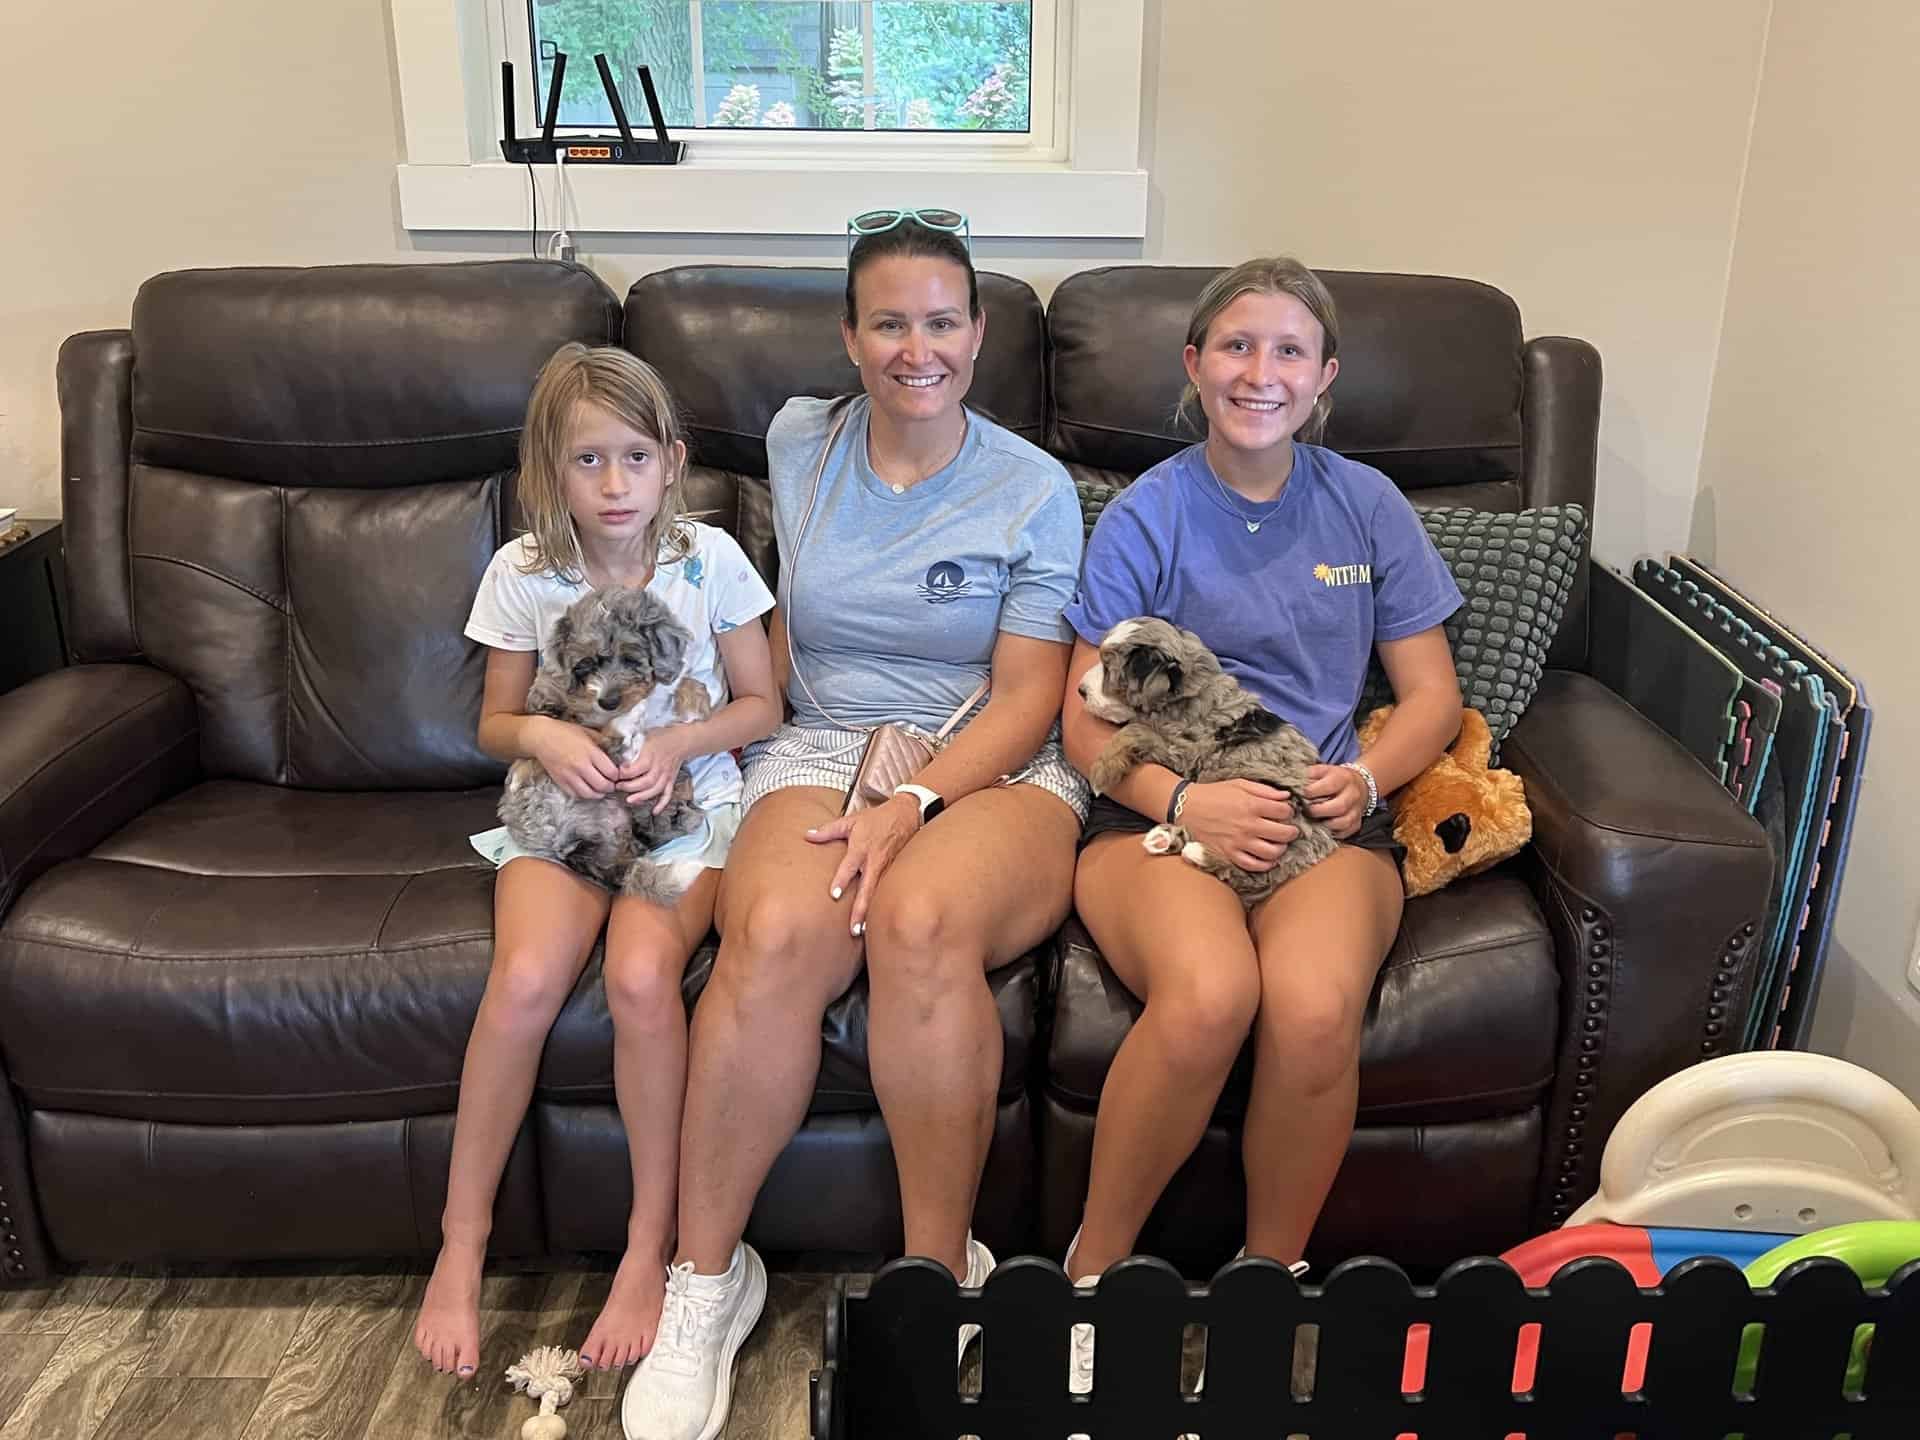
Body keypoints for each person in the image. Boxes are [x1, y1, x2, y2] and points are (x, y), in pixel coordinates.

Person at [620, 209, 1090, 1440]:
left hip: (989, 758)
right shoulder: (795, 442)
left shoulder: (1033, 488)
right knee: (771, 936)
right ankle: (706, 1280)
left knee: (923, 917)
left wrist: (916, 802)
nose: (915, 348)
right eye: (889, 322)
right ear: (850, 335)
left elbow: (1036, 689)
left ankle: (938, 1282)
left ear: (980, 335)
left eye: (942, 322)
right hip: (821, 741)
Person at [1058, 257, 1465, 1384]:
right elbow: (1083, 722)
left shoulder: (1367, 503)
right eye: (1236, 346)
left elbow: (1431, 696)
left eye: (1290, 351)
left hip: (1323, 814)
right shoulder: (1149, 512)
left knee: (1314, 1003)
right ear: (1194, 366)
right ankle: (1090, 1281)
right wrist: (1186, 801)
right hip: (1160, 813)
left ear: (1324, 377)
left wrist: (1370, 780)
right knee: (1210, 996)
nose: (1261, 372)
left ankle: (1266, 1281)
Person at [414, 343, 780, 1381]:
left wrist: (672, 747)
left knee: (637, 977)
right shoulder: (524, 574)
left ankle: (645, 1250)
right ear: (548, 471)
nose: (613, 486)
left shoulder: (711, 561)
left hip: (688, 820)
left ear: (671, 461)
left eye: (633, 458)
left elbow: (763, 705)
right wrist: (545, 738)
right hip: (563, 820)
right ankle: (461, 1244)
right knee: (523, 979)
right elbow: (494, 720)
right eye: (587, 462)